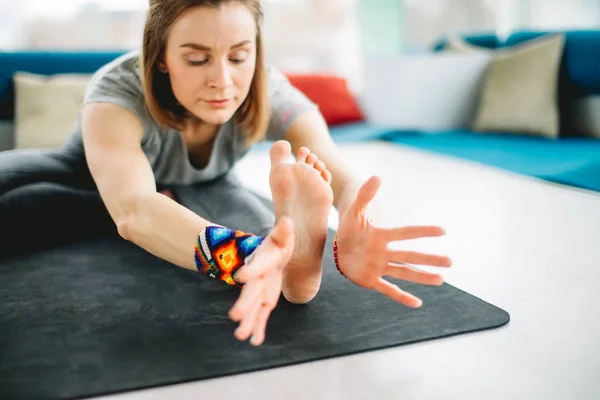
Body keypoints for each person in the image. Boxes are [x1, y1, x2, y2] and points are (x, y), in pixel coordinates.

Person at [0, 0, 452, 346]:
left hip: (207, 186)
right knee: (22, 199)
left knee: (263, 243)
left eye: (238, 56)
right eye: (197, 59)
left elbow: (335, 170)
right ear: (160, 56)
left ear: (256, 50)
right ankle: (233, 241)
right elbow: (134, 207)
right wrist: (237, 258)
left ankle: (292, 263)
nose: (222, 80)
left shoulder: (270, 87)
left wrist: (355, 218)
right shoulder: (116, 92)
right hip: (91, 181)